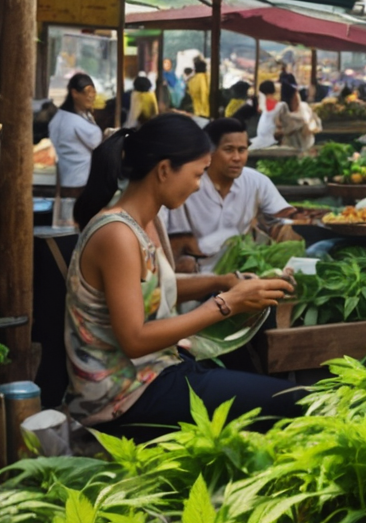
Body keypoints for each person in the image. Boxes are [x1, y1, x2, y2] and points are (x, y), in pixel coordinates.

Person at [64, 118, 299, 438]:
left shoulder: (142, 223)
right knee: (296, 403)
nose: (199, 185)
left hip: (158, 371)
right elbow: (134, 339)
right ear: (163, 170)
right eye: (198, 173)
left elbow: (156, 291)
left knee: (271, 394)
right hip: (123, 398)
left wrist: (225, 282)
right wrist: (226, 303)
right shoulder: (116, 234)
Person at [163, 117, 295, 274]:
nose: (237, 158)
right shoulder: (188, 185)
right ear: (209, 152)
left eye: (242, 150)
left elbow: (283, 221)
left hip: (241, 274)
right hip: (192, 279)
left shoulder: (257, 182)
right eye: (229, 150)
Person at [50, 72, 105, 195]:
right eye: (87, 92)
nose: (91, 96)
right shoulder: (76, 122)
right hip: (80, 182)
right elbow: (96, 141)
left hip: (64, 179)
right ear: (74, 93)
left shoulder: (59, 116)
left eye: (93, 92)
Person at [271, 83, 320, 154]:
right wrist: (283, 132)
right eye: (294, 97)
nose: (296, 98)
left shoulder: (304, 107)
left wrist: (311, 127)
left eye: (297, 95)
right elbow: (276, 133)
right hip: (289, 149)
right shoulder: (281, 112)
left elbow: (314, 121)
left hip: (307, 147)